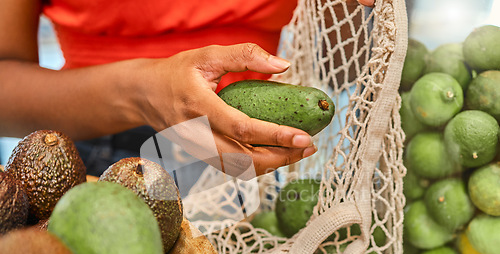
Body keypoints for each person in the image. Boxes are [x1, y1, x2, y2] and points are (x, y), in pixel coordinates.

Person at [0, 0, 374, 176]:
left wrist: (351, 11)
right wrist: (143, 96)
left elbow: (346, 66)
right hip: (103, 156)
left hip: (256, 153)